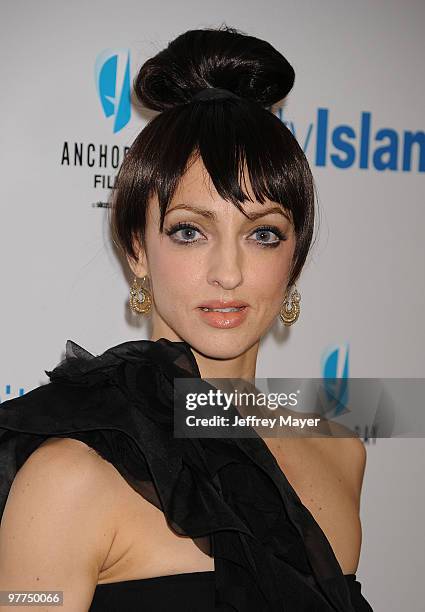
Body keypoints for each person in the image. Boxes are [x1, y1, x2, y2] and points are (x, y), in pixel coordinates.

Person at [0, 25, 374, 611]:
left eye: (264, 234)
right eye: (190, 231)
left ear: (294, 259)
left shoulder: (340, 453)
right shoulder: (70, 480)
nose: (228, 272)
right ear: (138, 251)